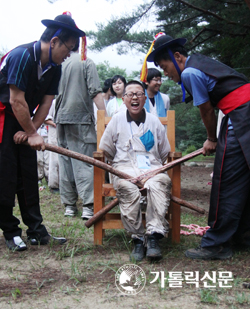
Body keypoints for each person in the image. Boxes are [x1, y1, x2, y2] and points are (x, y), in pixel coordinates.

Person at [146, 32, 250, 260]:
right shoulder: (201, 63)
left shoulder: (191, 73)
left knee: (226, 180)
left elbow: (206, 110)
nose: (165, 73)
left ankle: (217, 244)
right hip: (241, 115)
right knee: (243, 179)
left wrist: (212, 139)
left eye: (165, 67)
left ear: (177, 57)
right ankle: (242, 237)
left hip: (242, 117)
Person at [0, 13, 85, 251]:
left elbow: (46, 104)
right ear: (55, 41)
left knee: (28, 175)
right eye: (68, 48)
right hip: (2, 118)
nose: (69, 54)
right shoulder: (22, 56)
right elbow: (16, 100)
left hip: (24, 119)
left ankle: (36, 231)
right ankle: (11, 231)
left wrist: (31, 132)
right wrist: (32, 132)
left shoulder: (55, 67)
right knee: (5, 176)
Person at [99, 80, 172, 261]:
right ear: (123, 99)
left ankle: (153, 236)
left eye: (138, 94)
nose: (134, 98)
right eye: (130, 94)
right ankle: (138, 238)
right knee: (127, 188)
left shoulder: (154, 122)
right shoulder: (116, 119)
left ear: (144, 98)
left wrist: (151, 169)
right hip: (124, 169)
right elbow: (106, 149)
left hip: (152, 169)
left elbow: (164, 153)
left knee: (161, 182)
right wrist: (121, 166)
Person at [54, 39, 107, 220]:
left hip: (60, 118)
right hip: (81, 118)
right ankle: (88, 205)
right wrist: (105, 117)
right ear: (80, 45)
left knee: (66, 161)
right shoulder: (86, 61)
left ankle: (69, 205)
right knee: (84, 162)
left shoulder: (59, 63)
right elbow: (95, 92)